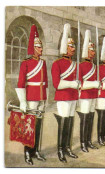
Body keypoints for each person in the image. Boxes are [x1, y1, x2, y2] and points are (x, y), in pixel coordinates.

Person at [16, 24, 48, 165]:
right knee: (30, 127)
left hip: (40, 97)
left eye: (41, 47)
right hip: (30, 98)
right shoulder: (26, 63)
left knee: (39, 125)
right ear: (33, 49)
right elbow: (21, 83)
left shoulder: (43, 63)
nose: (41, 49)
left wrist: (45, 99)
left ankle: (35, 151)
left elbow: (45, 82)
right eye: (39, 47)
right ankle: (27, 153)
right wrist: (22, 101)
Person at [51, 23, 79, 163]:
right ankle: (60, 150)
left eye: (74, 46)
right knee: (63, 122)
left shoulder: (75, 64)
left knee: (70, 122)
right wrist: (73, 84)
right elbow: (57, 84)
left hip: (73, 96)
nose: (73, 49)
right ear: (64, 47)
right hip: (63, 96)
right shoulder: (57, 63)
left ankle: (67, 147)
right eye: (71, 46)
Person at [77, 30, 99, 152]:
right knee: (84, 118)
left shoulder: (94, 66)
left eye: (94, 50)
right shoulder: (81, 66)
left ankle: (89, 141)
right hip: (85, 95)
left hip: (93, 95)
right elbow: (80, 84)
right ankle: (82, 143)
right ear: (86, 51)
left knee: (91, 117)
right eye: (91, 50)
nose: (93, 52)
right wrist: (94, 84)